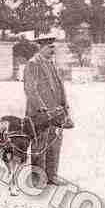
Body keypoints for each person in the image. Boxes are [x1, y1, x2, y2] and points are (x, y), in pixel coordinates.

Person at [24, 36, 74, 187]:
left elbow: (60, 87)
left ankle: (52, 176)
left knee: (55, 144)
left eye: (53, 47)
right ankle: (38, 179)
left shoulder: (51, 64)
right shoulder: (33, 63)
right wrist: (41, 108)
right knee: (40, 145)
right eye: (50, 47)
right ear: (41, 47)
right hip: (41, 114)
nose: (53, 50)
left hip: (57, 113)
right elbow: (30, 89)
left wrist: (65, 105)